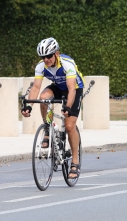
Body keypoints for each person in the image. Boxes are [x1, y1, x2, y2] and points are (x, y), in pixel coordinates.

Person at [21, 37, 85, 179]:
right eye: (43, 57)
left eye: (49, 56)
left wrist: (67, 107)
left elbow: (71, 89)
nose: (46, 60)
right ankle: (47, 128)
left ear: (56, 53)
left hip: (74, 89)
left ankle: (75, 160)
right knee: (43, 98)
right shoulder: (40, 66)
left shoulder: (67, 64)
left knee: (69, 126)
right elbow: (36, 87)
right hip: (57, 87)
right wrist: (29, 106)